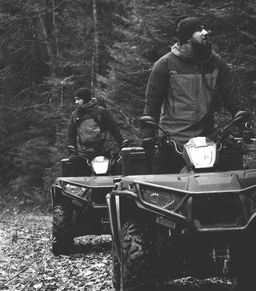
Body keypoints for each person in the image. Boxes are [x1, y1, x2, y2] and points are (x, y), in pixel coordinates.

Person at [142, 17, 242, 174]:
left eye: (204, 28)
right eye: (199, 29)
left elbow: (231, 94)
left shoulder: (216, 63)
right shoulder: (165, 64)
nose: (205, 32)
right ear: (187, 37)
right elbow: (152, 102)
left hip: (208, 140)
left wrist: (239, 115)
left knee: (232, 183)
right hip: (174, 141)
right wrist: (148, 134)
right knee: (161, 187)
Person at [67, 87, 124, 165]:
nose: (76, 102)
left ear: (85, 98)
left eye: (78, 99)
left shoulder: (100, 111)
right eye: (75, 99)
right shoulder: (75, 114)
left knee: (105, 175)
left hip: (101, 153)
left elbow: (113, 129)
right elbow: (71, 133)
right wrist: (72, 152)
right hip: (82, 155)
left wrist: (122, 143)